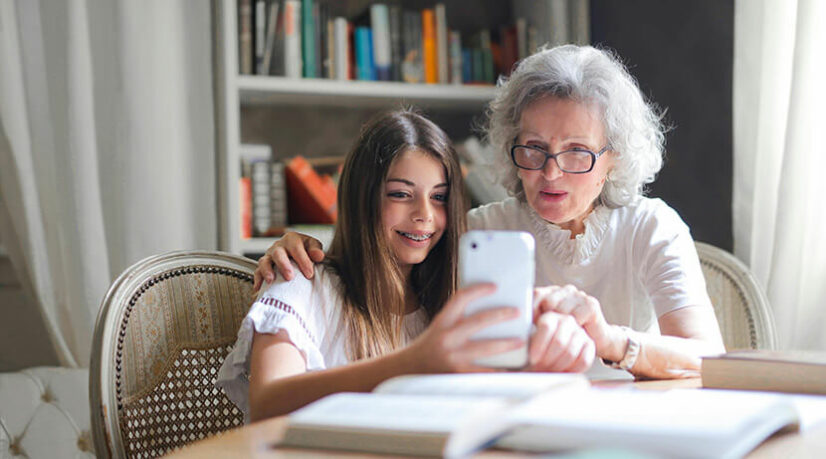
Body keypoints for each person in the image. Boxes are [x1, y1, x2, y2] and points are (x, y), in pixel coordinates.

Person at [254, 45, 726, 380]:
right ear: (509, 145)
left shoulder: (651, 226)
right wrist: (298, 247)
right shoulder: (476, 232)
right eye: (534, 149)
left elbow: (708, 358)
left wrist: (609, 340)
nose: (551, 173)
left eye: (577, 152)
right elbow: (381, 266)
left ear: (614, 158)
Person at [217, 110, 595, 422]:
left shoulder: (448, 300)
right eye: (400, 195)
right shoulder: (301, 282)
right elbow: (267, 402)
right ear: (361, 197)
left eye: (440, 198)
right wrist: (414, 362)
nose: (424, 216)